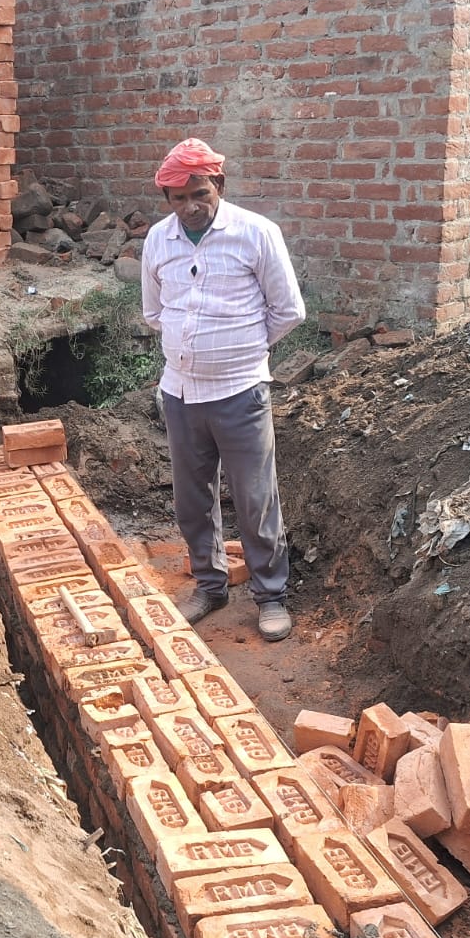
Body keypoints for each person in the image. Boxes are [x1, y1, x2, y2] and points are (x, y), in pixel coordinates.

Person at [141, 138, 305, 642]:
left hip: (239, 392)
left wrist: (242, 350)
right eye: (177, 198)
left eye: (199, 194)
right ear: (167, 200)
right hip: (181, 393)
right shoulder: (158, 240)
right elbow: (153, 311)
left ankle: (271, 595)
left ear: (220, 186)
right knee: (192, 499)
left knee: (254, 499)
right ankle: (210, 585)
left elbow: (288, 311)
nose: (190, 207)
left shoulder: (256, 234)